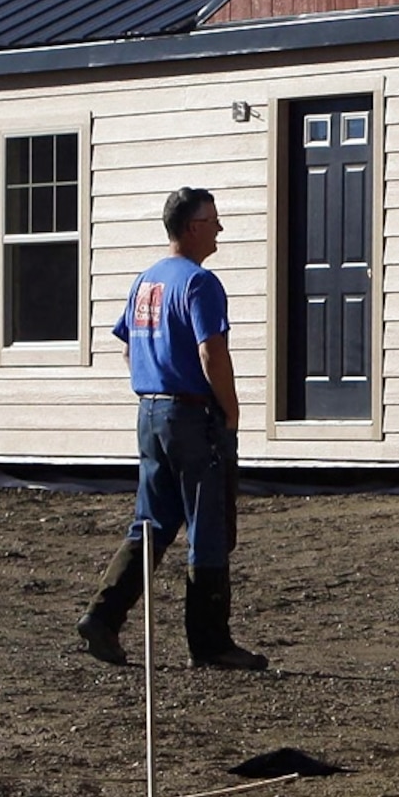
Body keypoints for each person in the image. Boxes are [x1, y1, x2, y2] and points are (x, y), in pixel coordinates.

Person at [73, 186, 269, 671]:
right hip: (191, 414)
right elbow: (211, 352)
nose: (220, 228)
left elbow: (126, 347)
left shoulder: (146, 281)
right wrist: (230, 408)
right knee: (208, 523)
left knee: (152, 520)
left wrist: (154, 382)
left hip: (151, 412)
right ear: (190, 228)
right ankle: (210, 643)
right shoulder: (200, 284)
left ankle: (102, 616)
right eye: (212, 220)